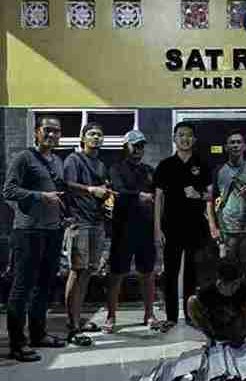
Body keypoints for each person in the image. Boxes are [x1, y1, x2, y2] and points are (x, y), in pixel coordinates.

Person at [3, 116, 66, 362]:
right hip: (28, 231)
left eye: (56, 131)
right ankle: (17, 344)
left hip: (52, 231)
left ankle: (38, 334)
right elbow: (8, 190)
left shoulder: (57, 161)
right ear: (37, 132)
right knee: (22, 287)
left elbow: (59, 192)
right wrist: (40, 196)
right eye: (47, 130)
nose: (52, 135)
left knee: (44, 286)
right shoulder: (24, 158)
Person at [154, 122, 211, 330]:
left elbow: (211, 195)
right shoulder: (165, 165)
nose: (185, 139)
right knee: (170, 272)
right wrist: (157, 229)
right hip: (170, 227)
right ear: (174, 138)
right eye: (181, 135)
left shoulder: (202, 164)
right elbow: (158, 198)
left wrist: (198, 194)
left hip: (195, 226)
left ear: (194, 139)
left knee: (192, 273)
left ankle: (190, 315)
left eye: (188, 135)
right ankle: (171, 316)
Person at [207, 130, 246, 322]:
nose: (235, 145)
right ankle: (227, 312)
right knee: (227, 272)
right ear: (226, 147)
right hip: (226, 230)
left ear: (244, 146)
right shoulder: (218, 171)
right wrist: (213, 227)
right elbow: (210, 199)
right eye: (231, 142)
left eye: (238, 142)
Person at [102, 130, 158, 333]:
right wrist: (139, 196)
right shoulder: (115, 168)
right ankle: (111, 316)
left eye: (141, 146)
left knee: (148, 273)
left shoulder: (149, 170)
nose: (138, 149)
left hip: (145, 228)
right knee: (116, 274)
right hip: (123, 228)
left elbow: (158, 196)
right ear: (126, 147)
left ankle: (149, 314)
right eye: (135, 145)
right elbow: (118, 191)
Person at [63, 122, 112, 346]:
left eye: (100, 135)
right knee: (77, 271)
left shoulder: (100, 164)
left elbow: (102, 191)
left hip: (96, 223)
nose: (96, 138)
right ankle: (72, 326)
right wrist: (91, 189)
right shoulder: (74, 159)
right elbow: (67, 185)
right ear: (83, 138)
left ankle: (77, 319)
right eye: (92, 134)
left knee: (87, 273)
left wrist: (106, 195)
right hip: (79, 222)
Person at [187, 258, 246, 345]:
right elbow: (198, 311)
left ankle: (239, 338)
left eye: (237, 284)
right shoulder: (207, 291)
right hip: (215, 328)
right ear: (220, 284)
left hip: (237, 328)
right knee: (191, 302)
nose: (236, 287)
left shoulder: (242, 289)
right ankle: (210, 337)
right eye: (233, 285)